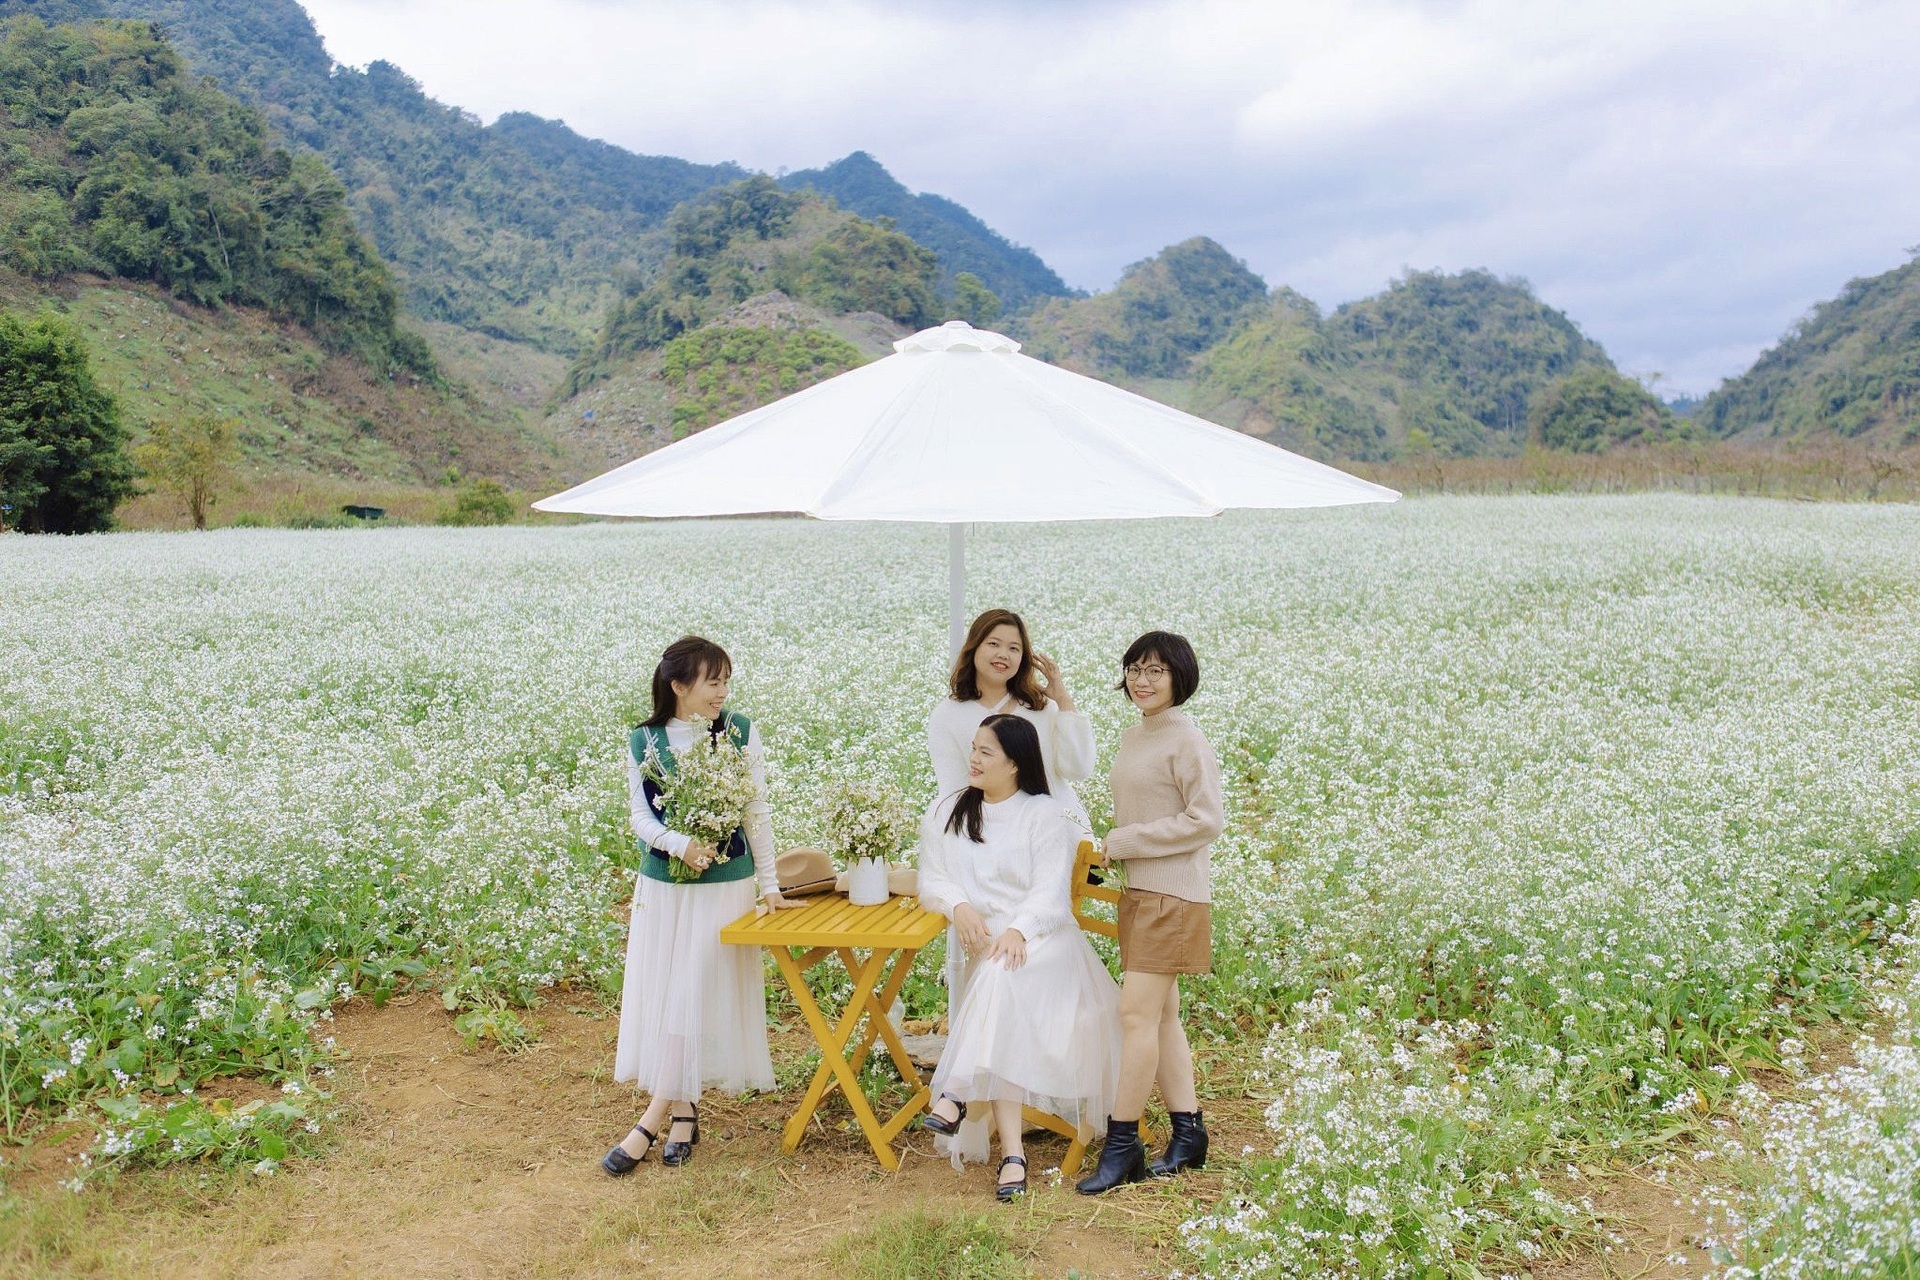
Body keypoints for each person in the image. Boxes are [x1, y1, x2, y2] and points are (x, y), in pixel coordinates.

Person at [602, 636, 798, 1176]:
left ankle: (650, 1118)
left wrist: (770, 883)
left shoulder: (739, 732)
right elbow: (641, 818)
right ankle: (685, 1114)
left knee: (692, 988)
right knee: (670, 995)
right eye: (713, 681)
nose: (723, 691)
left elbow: (756, 809)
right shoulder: (644, 739)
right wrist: (679, 844)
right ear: (679, 685)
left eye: (726, 680)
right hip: (664, 888)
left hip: (724, 889)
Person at [917, 715, 1121, 1202]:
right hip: (995, 950)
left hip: (1046, 943)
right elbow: (932, 879)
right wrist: (959, 906)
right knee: (999, 984)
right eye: (974, 748)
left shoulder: (1043, 814)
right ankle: (1012, 1153)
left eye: (986, 752)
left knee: (999, 976)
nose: (974, 759)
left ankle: (957, 1093)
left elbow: (1051, 897)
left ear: (1014, 763)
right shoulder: (952, 810)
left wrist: (1017, 929)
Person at [1076, 631, 1222, 1195]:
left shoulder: (1186, 738)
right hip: (1142, 894)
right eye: (1135, 668)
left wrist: (1129, 841)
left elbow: (1207, 819)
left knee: (1134, 1017)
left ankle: (1123, 1144)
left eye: (1155, 670)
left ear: (1178, 677)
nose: (1142, 679)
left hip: (1173, 896)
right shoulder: (1136, 736)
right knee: (1162, 1018)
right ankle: (1188, 1135)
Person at [927, 609, 1094, 830]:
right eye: (994, 644)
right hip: (989, 840)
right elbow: (954, 790)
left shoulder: (1041, 707)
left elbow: (1078, 769)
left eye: (1014, 648)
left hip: (1058, 832)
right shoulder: (948, 714)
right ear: (974, 647)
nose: (1004, 654)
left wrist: (1063, 701)